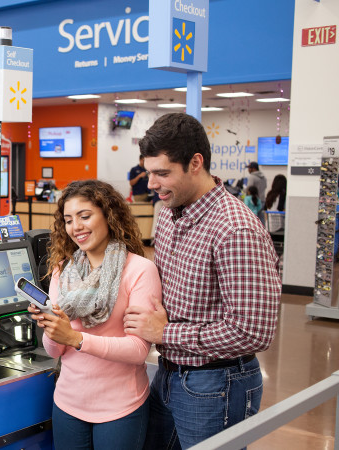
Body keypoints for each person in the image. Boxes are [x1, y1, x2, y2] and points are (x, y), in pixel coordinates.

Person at [123, 112, 281, 449]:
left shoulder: (236, 230)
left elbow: (253, 330)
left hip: (218, 381)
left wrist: (165, 333)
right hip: (168, 371)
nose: (151, 184)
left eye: (162, 173)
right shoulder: (167, 213)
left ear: (196, 163)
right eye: (149, 172)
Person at [29, 179, 161, 450]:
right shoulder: (63, 270)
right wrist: (52, 328)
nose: (75, 227)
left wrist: (77, 338)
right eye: (68, 220)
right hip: (67, 404)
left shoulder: (139, 271)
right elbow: (54, 351)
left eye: (85, 216)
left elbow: (138, 350)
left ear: (109, 215)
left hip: (120, 409)